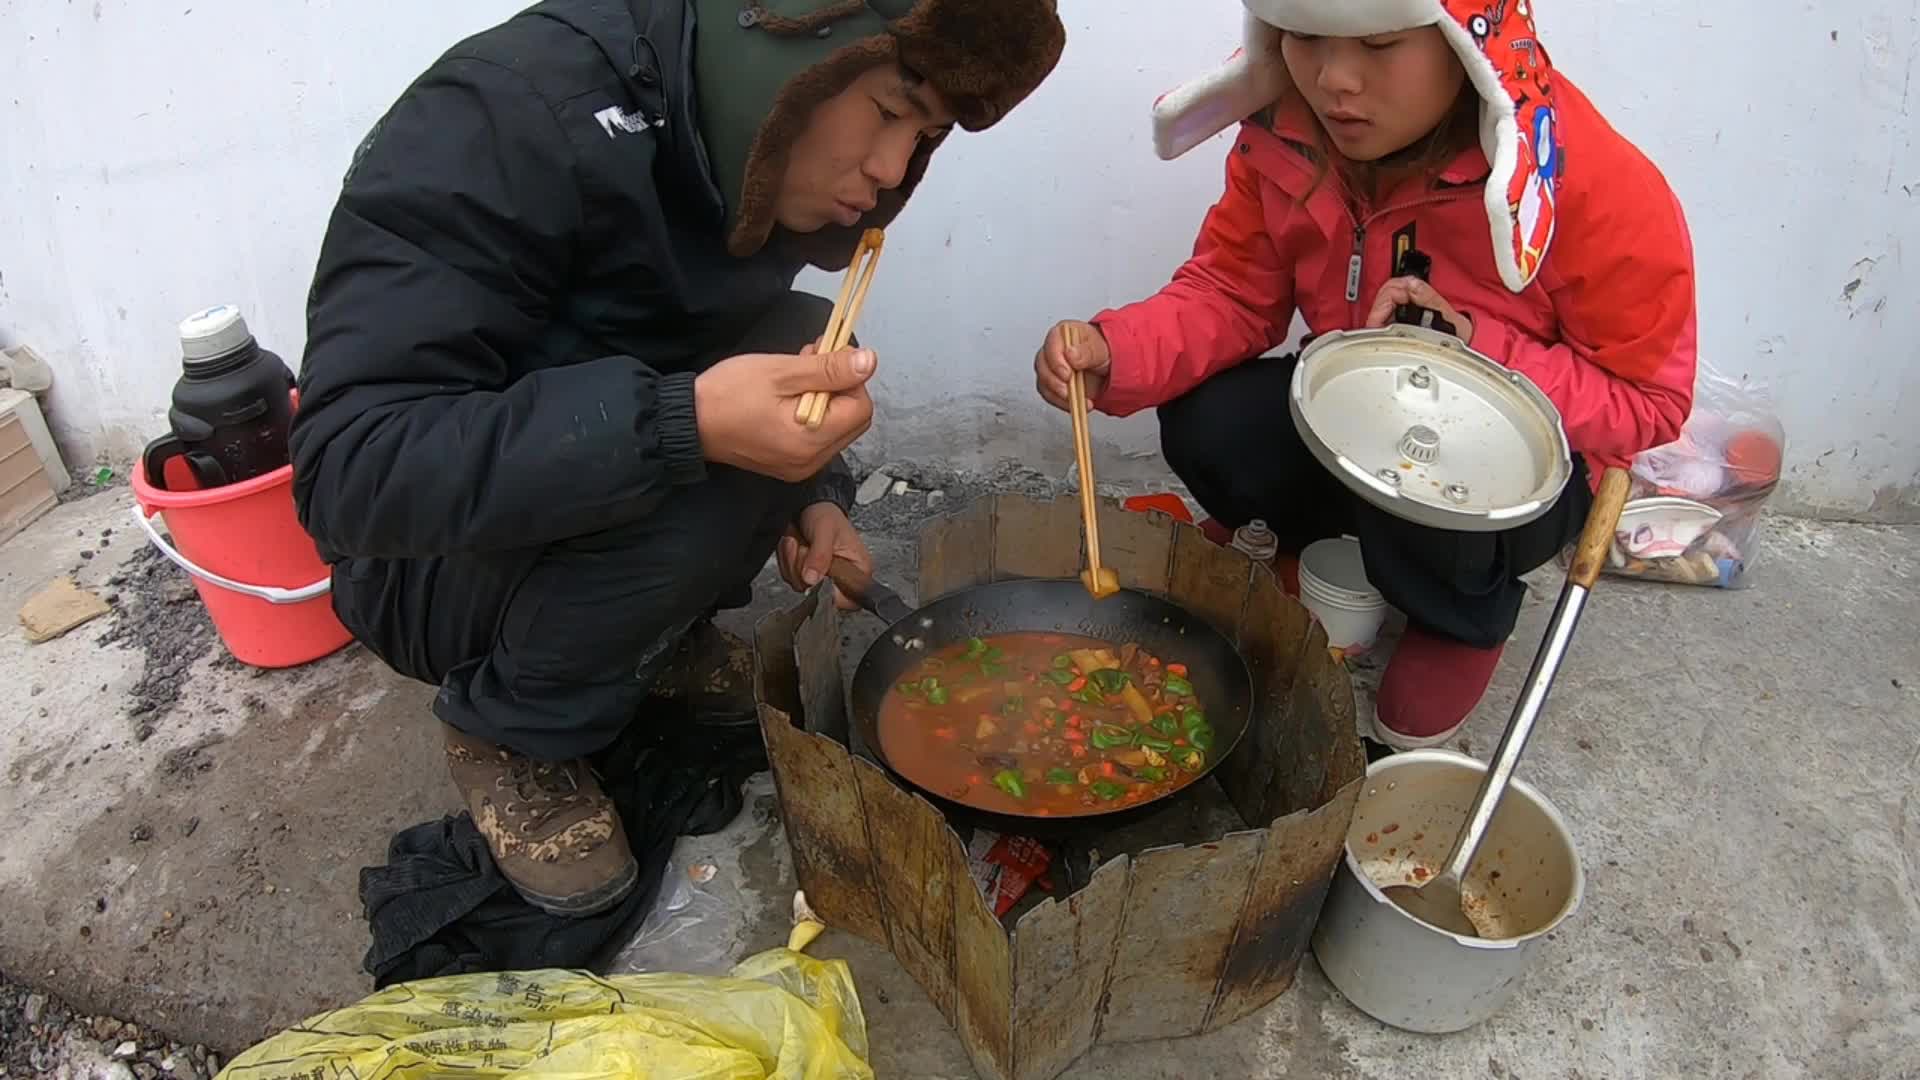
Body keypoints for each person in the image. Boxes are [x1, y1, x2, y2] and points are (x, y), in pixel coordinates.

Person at [292, 0, 1066, 917]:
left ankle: (636, 639)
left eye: (926, 134)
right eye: (889, 110)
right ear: (792, 47)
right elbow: (350, 470)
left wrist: (809, 494)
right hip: (423, 568)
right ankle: (511, 731)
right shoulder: (503, 115)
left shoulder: (723, 133)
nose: (892, 168)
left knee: (801, 341)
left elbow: (726, 345)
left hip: (564, 486)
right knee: (716, 450)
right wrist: (683, 422)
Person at [1033, 0, 1695, 751]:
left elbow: (1650, 403)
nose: (1334, 81)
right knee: (1205, 422)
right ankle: (1325, 548)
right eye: (1307, 38)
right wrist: (1116, 349)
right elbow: (1232, 292)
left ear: (1464, 45)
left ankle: (1462, 617)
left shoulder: (1583, 177)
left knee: (1440, 469)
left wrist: (1474, 355)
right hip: (1357, 421)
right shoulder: (1287, 133)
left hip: (1514, 473)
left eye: (1379, 44)